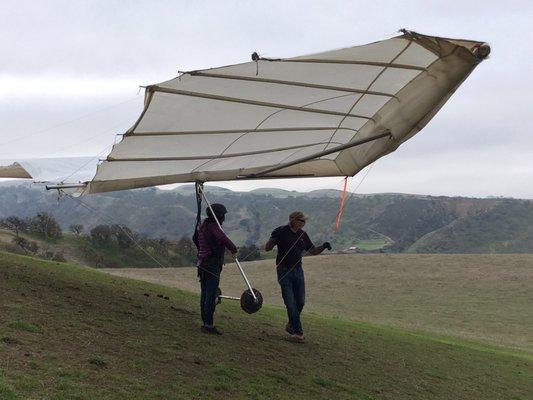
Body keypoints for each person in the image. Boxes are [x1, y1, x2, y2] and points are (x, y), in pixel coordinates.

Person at [265, 211, 331, 342]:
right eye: (301, 220)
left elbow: (312, 251)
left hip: (298, 271)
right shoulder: (281, 231)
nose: (303, 223)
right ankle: (298, 332)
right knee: (290, 302)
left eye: (304, 221)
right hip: (284, 271)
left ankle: (291, 324)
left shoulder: (303, 235)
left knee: (300, 302)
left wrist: (323, 246)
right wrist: (273, 239)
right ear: (292, 220)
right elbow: (267, 248)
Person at [193, 203, 238, 335]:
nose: (224, 218)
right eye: (223, 216)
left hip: (202, 264)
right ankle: (208, 325)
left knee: (205, 294)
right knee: (210, 295)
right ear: (219, 216)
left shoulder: (203, 225)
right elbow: (223, 238)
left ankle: (205, 322)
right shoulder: (213, 226)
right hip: (211, 265)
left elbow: (196, 239)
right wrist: (234, 248)